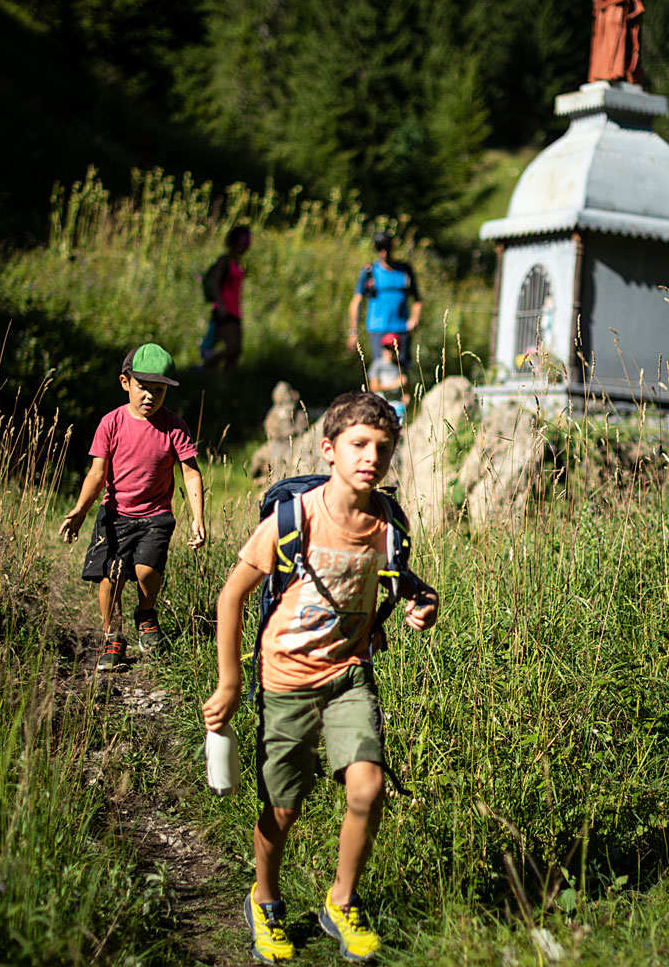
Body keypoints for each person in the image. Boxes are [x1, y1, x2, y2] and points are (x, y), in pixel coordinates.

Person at [202, 392, 439, 964]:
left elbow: (400, 580)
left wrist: (420, 601)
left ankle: (341, 901)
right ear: (329, 450)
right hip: (285, 680)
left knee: (368, 788)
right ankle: (264, 899)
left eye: (384, 448)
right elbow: (230, 596)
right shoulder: (296, 518)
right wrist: (230, 683)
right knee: (284, 805)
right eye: (359, 444)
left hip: (350, 676)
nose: (371, 457)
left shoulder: (388, 524)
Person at [59, 343, 205, 671]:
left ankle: (146, 615)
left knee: (146, 571)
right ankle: (113, 635)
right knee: (110, 578)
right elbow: (97, 473)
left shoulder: (174, 427)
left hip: (156, 515)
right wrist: (81, 510)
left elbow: (191, 473)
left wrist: (198, 517)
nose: (150, 396)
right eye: (143, 388)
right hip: (115, 514)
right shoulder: (111, 424)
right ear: (125, 383)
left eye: (159, 390)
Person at [347, 232, 422, 369]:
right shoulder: (370, 272)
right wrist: (353, 332)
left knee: (401, 371)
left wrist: (414, 318)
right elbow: (356, 301)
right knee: (380, 368)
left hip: (401, 328)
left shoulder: (404, 270)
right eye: (380, 249)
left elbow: (417, 300)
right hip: (378, 329)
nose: (384, 252)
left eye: (386, 248)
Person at [203, 224, 251, 372]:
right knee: (232, 348)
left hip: (235, 311)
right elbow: (216, 284)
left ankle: (226, 384)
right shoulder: (225, 260)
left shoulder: (238, 262)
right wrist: (222, 305)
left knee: (236, 352)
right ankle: (206, 365)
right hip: (224, 311)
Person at [367, 334, 409, 425]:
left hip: (397, 405)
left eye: (392, 348)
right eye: (387, 347)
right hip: (381, 404)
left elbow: (405, 386)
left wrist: (406, 394)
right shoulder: (377, 365)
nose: (389, 351)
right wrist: (395, 384)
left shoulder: (399, 366)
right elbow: (374, 387)